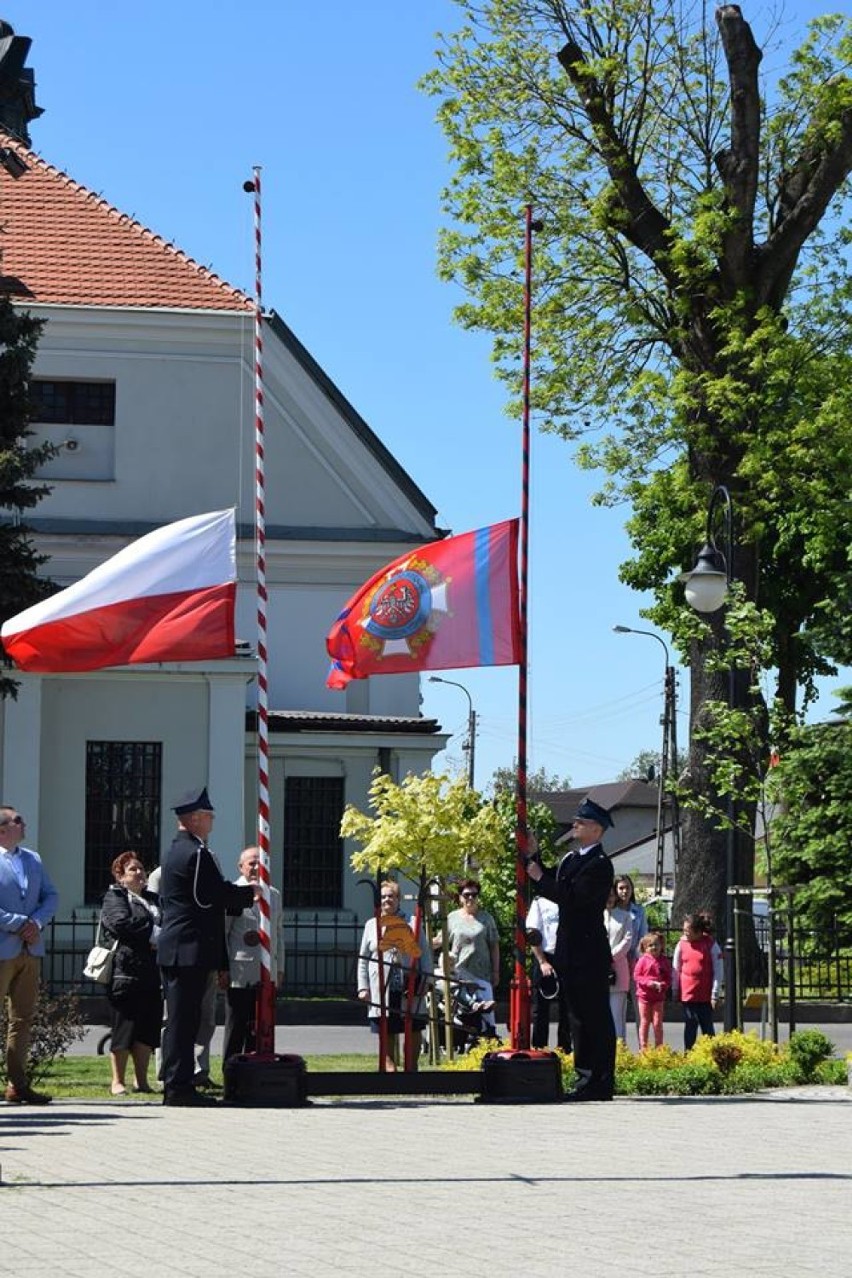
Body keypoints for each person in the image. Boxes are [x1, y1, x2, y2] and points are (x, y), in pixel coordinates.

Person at [156, 787, 255, 1106]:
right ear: (195, 819)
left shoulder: (174, 851)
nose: (212, 821)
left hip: (178, 947)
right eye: (208, 816)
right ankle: (179, 1087)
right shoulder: (196, 854)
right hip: (190, 948)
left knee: (181, 1022)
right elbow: (208, 896)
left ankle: (177, 1083)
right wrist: (248, 895)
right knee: (185, 1023)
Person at [524, 797, 616, 1102]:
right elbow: (553, 879)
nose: (575, 825)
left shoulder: (600, 865)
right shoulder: (572, 859)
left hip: (588, 952)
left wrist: (540, 879)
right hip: (569, 950)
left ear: (597, 830)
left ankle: (600, 1080)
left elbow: (573, 898)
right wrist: (533, 855)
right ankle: (584, 1077)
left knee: (594, 1017)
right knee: (576, 1017)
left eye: (582, 822)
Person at [0, 806, 59, 1104]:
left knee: (21, 1018)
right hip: (3, 949)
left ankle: (17, 1084)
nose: (24, 824)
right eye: (18, 820)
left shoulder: (32, 859)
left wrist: (35, 922)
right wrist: (18, 923)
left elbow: (51, 895)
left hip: (29, 950)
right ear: (2, 829)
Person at [100, 851, 163, 1095]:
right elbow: (120, 924)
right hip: (125, 972)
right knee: (124, 1027)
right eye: (132, 870)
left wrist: (160, 934)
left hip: (152, 972)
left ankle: (142, 1080)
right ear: (120, 876)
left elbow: (169, 921)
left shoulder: (153, 899)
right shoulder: (115, 896)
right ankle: (117, 1080)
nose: (139, 873)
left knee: (147, 1029)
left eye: (141, 868)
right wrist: (153, 934)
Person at [357, 880, 432, 1071]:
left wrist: (427, 981)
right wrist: (363, 987)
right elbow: (363, 958)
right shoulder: (371, 925)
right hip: (382, 984)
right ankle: (390, 1066)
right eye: (383, 897)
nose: (386, 900)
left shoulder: (413, 922)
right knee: (386, 1024)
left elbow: (424, 953)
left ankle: (411, 1066)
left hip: (409, 982)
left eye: (391, 896)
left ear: (398, 899)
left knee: (413, 1024)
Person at [222, 846, 283, 1062]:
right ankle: (231, 1069)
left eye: (260, 862)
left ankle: (255, 1065)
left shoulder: (273, 894)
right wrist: (224, 968)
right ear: (241, 867)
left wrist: (280, 968)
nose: (257, 867)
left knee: (261, 1026)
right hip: (240, 972)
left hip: (266, 973)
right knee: (237, 1025)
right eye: (251, 863)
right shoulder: (234, 893)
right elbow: (225, 932)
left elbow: (278, 933)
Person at [444, 878, 500, 1034]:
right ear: (460, 897)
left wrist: (496, 972)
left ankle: (489, 1038)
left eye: (474, 895)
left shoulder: (486, 918)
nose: (470, 898)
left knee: (488, 1011)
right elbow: (440, 940)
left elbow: (494, 945)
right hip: (459, 972)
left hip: (482, 972)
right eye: (467, 894)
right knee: (463, 1010)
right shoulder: (452, 918)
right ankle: (464, 1040)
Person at [525, 894, 572, 1052]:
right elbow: (532, 934)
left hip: (566, 956)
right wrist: (542, 961)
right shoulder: (539, 901)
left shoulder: (569, 899)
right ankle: (539, 1047)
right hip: (545, 956)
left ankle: (564, 1047)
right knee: (540, 1007)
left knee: (567, 1007)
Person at [672, 912, 724, 1050]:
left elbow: (718, 971)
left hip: (705, 996)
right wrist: (675, 989)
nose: (685, 934)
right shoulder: (681, 944)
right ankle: (688, 1054)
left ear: (698, 932)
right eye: (684, 931)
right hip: (688, 995)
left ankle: (713, 1054)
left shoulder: (711, 945)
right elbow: (676, 968)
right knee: (690, 1025)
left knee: (707, 1027)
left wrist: (715, 994)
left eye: (688, 931)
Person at [616, 873, 648, 1041]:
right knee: (618, 1007)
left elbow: (644, 937)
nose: (624, 892)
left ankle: (643, 1046)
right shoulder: (611, 911)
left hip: (635, 962)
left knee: (639, 1007)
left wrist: (638, 959)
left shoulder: (639, 911)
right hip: (616, 962)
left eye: (627, 888)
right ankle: (620, 1046)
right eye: (621, 888)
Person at [633, 931, 673, 1050]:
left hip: (658, 998)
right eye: (650, 945)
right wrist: (649, 983)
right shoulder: (642, 960)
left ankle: (659, 1047)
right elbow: (637, 976)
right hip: (644, 997)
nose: (654, 947)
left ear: (661, 946)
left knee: (657, 1023)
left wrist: (663, 985)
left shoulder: (664, 961)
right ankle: (643, 1048)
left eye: (656, 944)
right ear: (645, 948)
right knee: (644, 1022)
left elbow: (668, 977)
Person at [604, 885, 633, 1043]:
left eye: (611, 895)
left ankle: (619, 1052)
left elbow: (627, 941)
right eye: (606, 894)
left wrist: (611, 956)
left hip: (618, 968)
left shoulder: (625, 916)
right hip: (598, 969)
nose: (609, 898)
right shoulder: (595, 915)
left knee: (617, 1015)